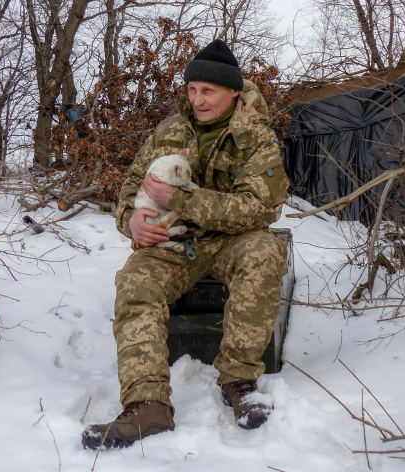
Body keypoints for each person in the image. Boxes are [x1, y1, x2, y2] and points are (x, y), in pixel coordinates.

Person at [82, 39, 290, 450]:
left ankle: (239, 382)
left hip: (234, 240)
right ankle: (147, 405)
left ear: (233, 91)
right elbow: (130, 187)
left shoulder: (258, 139)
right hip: (175, 243)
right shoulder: (169, 130)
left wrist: (179, 200)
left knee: (265, 253)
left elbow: (257, 210)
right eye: (192, 89)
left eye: (207, 91)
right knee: (135, 280)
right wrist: (133, 221)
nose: (197, 99)